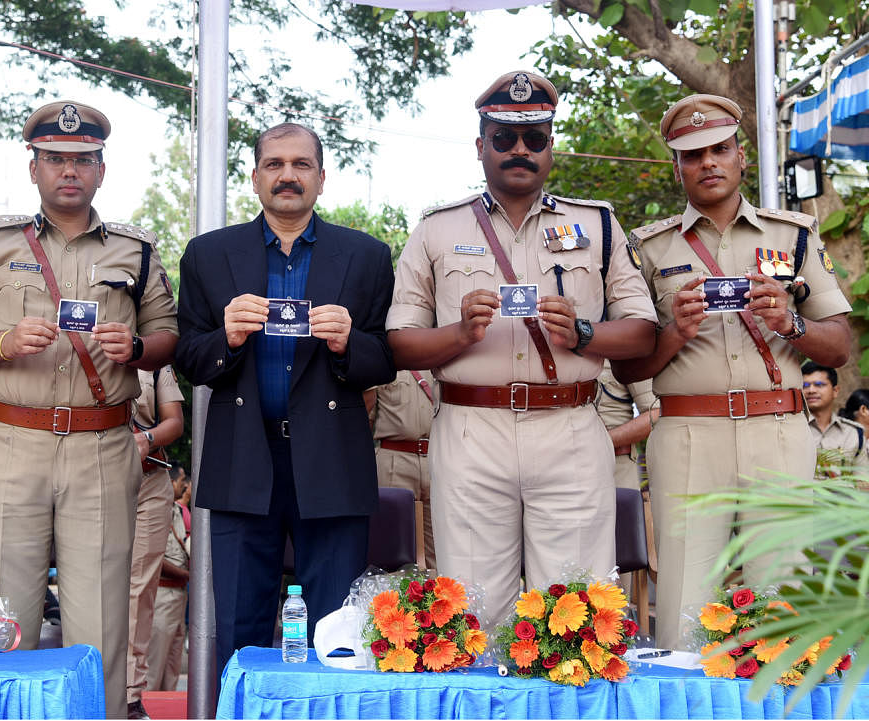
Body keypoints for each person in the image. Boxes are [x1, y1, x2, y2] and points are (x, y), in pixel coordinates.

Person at [0, 100, 178, 720]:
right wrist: (3, 343)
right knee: (0, 609)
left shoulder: (135, 249)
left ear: (101, 170)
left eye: (83, 160)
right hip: (12, 439)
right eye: (56, 159)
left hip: (102, 444)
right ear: (34, 168)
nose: (70, 170)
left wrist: (139, 347)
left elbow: (171, 336)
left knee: (98, 611)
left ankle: (98, 713)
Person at [386, 70, 657, 628]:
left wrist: (584, 333)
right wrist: (458, 334)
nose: (519, 150)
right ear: (480, 145)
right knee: (474, 609)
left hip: (570, 426)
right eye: (504, 137)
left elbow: (642, 332)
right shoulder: (436, 229)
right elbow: (398, 344)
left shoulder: (597, 224)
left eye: (534, 138)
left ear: (551, 147)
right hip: (469, 425)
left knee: (577, 615)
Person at [614, 94, 852, 647]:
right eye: (693, 155)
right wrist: (674, 331)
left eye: (719, 149)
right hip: (689, 431)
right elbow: (627, 368)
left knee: (783, 593)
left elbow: (839, 346)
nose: (708, 163)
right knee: (683, 604)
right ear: (677, 167)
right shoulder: (649, 248)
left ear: (742, 156)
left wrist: (791, 323)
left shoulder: (791, 235)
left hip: (779, 429)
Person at [174, 122, 395, 668]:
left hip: (331, 460)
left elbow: (388, 357)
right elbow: (187, 358)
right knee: (238, 632)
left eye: (301, 165)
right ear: (254, 178)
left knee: (337, 634)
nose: (287, 175)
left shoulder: (366, 256)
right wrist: (224, 337)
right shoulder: (208, 255)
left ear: (321, 178)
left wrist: (349, 346)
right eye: (274, 164)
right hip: (242, 459)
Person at [127, 365, 184, 719]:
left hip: (148, 479)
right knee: (88, 586)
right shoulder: (73, 332)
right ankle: (86, 684)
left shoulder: (155, 358)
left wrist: (147, 438)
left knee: (139, 590)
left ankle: (130, 695)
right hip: (87, 479)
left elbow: (174, 421)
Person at [365, 369, 437, 569]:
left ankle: (437, 598)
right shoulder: (385, 352)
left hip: (436, 457)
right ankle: (390, 599)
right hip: (394, 458)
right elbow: (366, 411)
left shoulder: (441, 353)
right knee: (391, 549)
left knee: (439, 552)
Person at [145, 466, 190, 693]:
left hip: (179, 596)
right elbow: (152, 556)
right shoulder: (155, 509)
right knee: (154, 668)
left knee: (171, 669)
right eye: (181, 480)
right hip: (162, 595)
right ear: (169, 482)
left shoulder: (178, 511)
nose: (184, 485)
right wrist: (186, 575)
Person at [595, 360, 656, 492]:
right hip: (558, 466)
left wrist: (602, 441)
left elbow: (656, 415)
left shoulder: (626, 351)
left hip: (617, 470)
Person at [802, 361, 868, 475]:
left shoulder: (853, 433)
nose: (811, 390)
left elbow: (863, 482)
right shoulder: (790, 429)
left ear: (835, 391)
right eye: (805, 386)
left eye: (819, 384)